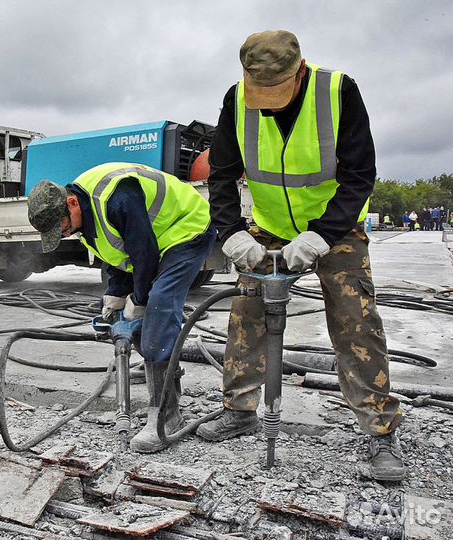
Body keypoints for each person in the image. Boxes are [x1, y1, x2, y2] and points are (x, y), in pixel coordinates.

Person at [203, 30, 405, 481]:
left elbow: (359, 174)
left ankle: (379, 431)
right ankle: (240, 411)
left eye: (277, 91)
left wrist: (321, 237)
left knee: (356, 317)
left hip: (335, 226)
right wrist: (232, 234)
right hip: (271, 227)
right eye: (261, 92)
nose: (268, 102)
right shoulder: (236, 100)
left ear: (300, 70)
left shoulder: (338, 92)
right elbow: (221, 175)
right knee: (246, 311)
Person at [27, 163, 216, 453]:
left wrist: (138, 303)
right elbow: (118, 255)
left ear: (71, 203)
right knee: (137, 319)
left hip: (187, 229)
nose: (63, 234)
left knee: (159, 304)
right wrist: (114, 301)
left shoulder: (116, 198)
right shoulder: (84, 214)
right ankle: (160, 369)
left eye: (62, 227)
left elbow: (144, 256)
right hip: (156, 241)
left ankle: (167, 415)